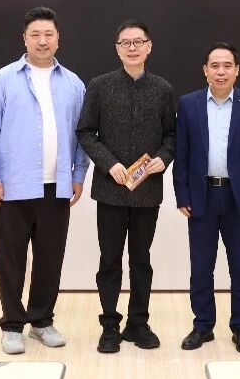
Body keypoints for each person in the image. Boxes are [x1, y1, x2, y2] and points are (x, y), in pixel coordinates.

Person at [0, 6, 88, 356]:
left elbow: (83, 133)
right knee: (10, 258)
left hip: (57, 187)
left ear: (58, 38)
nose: (42, 41)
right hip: (13, 185)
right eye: (35, 35)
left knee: (49, 258)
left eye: (48, 34)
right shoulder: (3, 79)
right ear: (24, 39)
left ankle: (41, 321)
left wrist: (78, 174)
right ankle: (12, 325)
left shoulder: (74, 84)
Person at [76, 20, 177, 353]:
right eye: (125, 43)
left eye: (138, 42)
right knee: (109, 260)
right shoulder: (100, 86)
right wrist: (110, 164)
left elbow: (171, 135)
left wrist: (163, 157)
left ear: (149, 46)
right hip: (110, 191)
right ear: (117, 49)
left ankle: (139, 323)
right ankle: (109, 324)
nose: (132, 48)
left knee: (141, 260)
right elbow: (86, 132)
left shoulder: (163, 89)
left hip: (147, 192)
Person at [173, 42, 240, 354]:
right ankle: (203, 326)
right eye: (215, 66)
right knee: (201, 267)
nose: (221, 71)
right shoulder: (188, 104)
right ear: (205, 70)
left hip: (239, 199)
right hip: (200, 196)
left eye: (227, 65)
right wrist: (182, 194)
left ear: (237, 70)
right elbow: (181, 154)